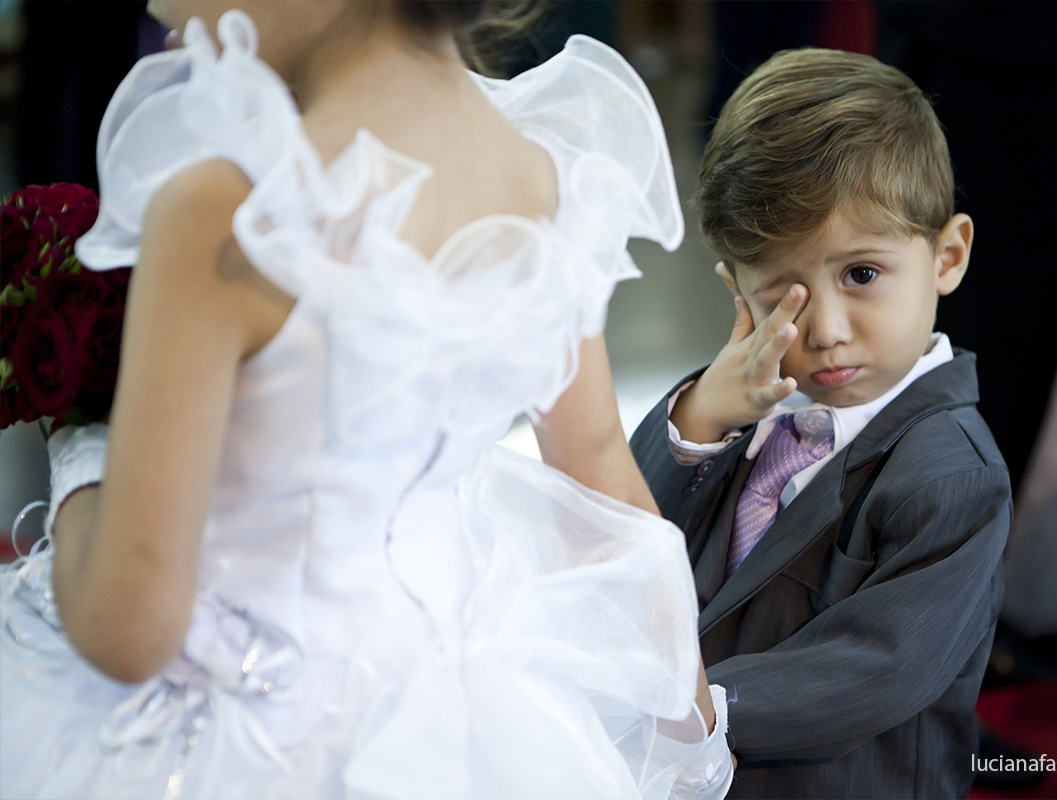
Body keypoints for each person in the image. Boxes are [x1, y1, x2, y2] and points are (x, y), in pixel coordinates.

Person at [0, 2, 734, 798]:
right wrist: (695, 729)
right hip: (471, 723)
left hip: (249, 735)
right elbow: (601, 474)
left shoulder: (229, 211)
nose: (159, 6)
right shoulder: (542, 176)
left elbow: (129, 629)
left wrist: (83, 443)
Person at [630, 48, 1011, 798]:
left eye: (862, 274)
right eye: (783, 295)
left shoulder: (953, 476)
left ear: (947, 256)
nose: (827, 330)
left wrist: (695, 715)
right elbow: (628, 528)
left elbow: (879, 666)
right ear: (737, 292)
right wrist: (702, 412)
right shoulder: (740, 409)